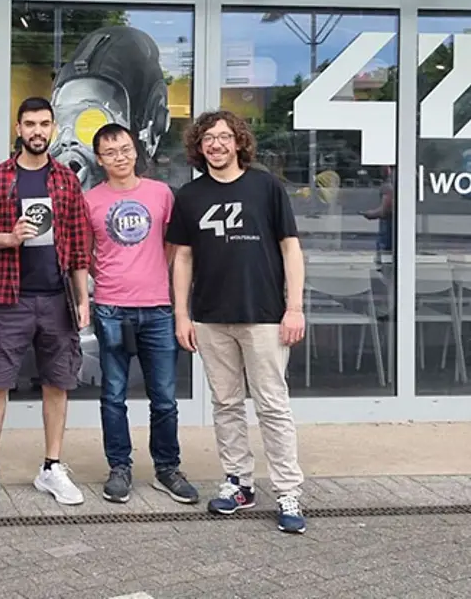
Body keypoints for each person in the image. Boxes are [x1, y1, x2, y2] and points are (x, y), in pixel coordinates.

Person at [168, 110, 308, 535]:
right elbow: (183, 258)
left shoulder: (265, 187)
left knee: (272, 405)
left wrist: (295, 307)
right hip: (211, 318)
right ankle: (239, 483)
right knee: (226, 404)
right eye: (208, 138)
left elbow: (291, 249)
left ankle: (287, 490)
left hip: (264, 315)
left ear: (239, 142)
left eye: (225, 137)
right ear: (199, 146)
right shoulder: (189, 196)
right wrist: (181, 313)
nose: (216, 144)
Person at [0, 97, 92, 508]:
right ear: (18, 129)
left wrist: (82, 299)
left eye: (44, 124)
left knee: (58, 382)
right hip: (11, 296)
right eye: (29, 124)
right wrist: (10, 237)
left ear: (53, 128)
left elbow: (78, 246)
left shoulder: (66, 180)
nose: (37, 131)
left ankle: (51, 467)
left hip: (58, 298)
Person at [83, 122, 198, 507]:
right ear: (100, 159)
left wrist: (151, 277)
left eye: (126, 149)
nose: (120, 157)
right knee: (113, 395)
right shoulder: (91, 199)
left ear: (137, 151)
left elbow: (173, 246)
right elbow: (87, 254)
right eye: (111, 152)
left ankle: (167, 467)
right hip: (111, 308)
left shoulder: (161, 194)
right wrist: (111, 281)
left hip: (158, 309)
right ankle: (119, 468)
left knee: (163, 396)